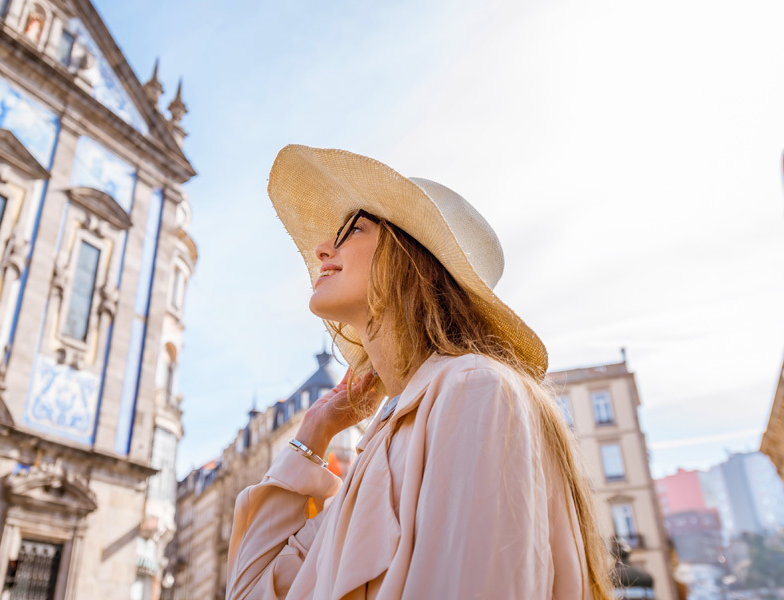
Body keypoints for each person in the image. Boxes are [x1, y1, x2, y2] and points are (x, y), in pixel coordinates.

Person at [225, 146, 612, 600]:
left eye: (352, 229)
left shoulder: (475, 390)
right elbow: (251, 590)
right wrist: (314, 430)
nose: (322, 248)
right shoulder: (378, 452)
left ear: (410, 260)